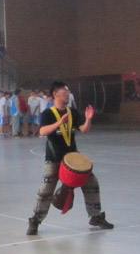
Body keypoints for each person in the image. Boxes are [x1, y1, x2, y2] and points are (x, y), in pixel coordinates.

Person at [26, 81, 114, 235]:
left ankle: (95, 216)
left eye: (67, 91)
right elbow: (42, 132)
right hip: (54, 158)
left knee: (91, 182)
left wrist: (88, 119)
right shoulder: (48, 113)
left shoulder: (72, 112)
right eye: (64, 91)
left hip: (72, 158)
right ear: (55, 94)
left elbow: (84, 129)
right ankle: (35, 220)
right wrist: (59, 123)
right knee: (46, 189)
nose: (67, 93)